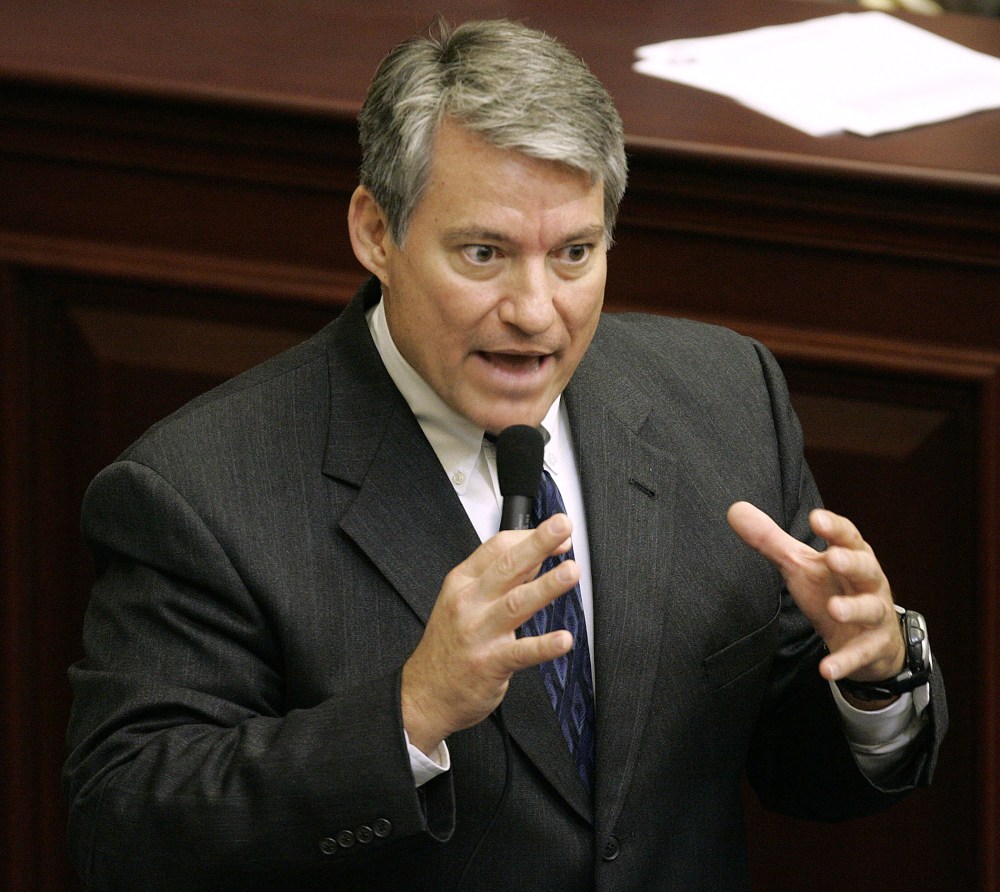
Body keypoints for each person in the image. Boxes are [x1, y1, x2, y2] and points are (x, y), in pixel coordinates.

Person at [64, 18, 946, 891]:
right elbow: (125, 830)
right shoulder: (198, 490)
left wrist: (869, 676)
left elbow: (801, 773)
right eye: (483, 253)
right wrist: (409, 714)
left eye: (574, 254)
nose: (535, 310)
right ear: (377, 232)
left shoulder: (723, 398)